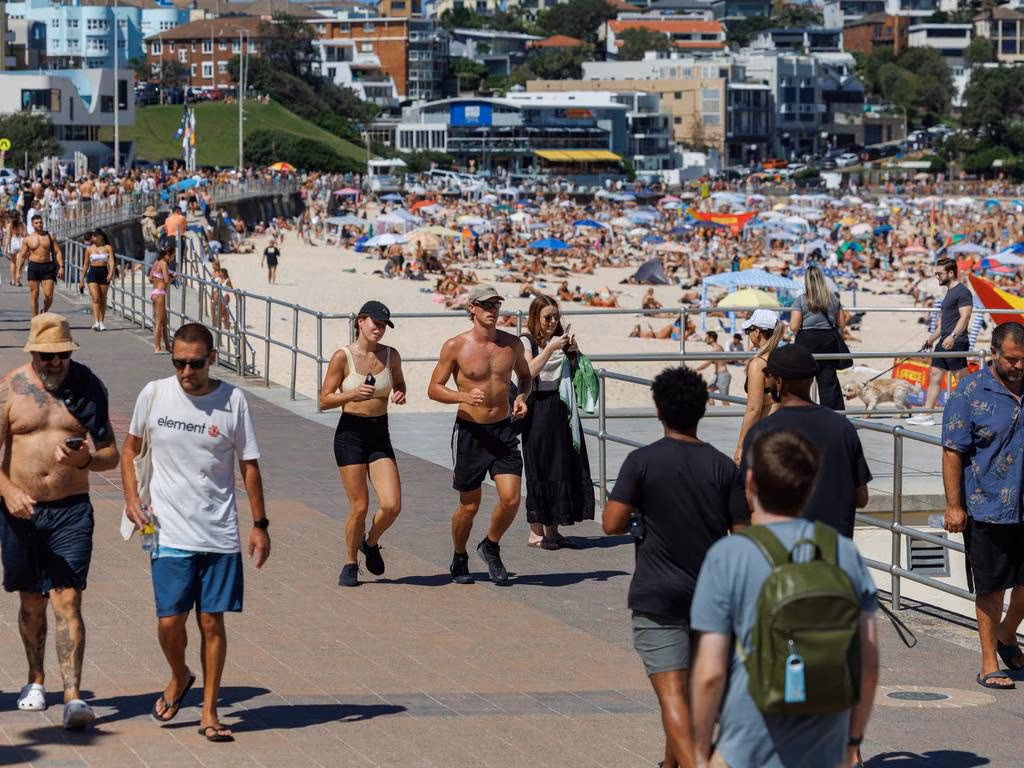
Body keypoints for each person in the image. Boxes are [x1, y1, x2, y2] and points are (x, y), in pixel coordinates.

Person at [691, 429, 880, 768]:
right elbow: (868, 662)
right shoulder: (842, 551)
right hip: (826, 735)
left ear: (750, 483)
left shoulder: (729, 555)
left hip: (748, 738)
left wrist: (700, 750)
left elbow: (710, 672)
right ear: (810, 489)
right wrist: (852, 740)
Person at [120, 323, 269, 743]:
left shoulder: (232, 400)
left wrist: (259, 525)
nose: (187, 371)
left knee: (210, 621)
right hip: (164, 529)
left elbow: (250, 465)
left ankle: (209, 710)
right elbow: (130, 449)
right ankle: (179, 675)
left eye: (196, 363)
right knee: (170, 621)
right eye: (180, 362)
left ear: (212, 359)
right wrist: (132, 498)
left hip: (218, 531)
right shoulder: (154, 394)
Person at [602, 366, 748, 768]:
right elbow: (744, 536)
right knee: (693, 700)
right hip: (712, 599)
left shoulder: (641, 461)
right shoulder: (723, 468)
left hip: (657, 593)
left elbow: (611, 523)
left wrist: (641, 519)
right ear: (703, 409)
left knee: (672, 698)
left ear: (659, 411)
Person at [0, 313, 119, 729]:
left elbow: (111, 454)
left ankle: (72, 696)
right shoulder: (10, 388)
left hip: (71, 508)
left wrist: (86, 459)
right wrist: (8, 490)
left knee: (68, 600)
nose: (54, 364)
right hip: (21, 512)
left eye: (61, 356)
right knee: (31, 600)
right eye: (46, 356)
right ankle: (35, 680)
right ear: (33, 352)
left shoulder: (88, 387)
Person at [427, 284, 532, 585]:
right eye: (486, 305)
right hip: (471, 433)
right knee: (469, 505)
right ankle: (459, 555)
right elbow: (434, 388)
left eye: (496, 305)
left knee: (511, 500)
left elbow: (524, 376)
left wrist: (522, 397)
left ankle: (490, 545)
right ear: (471, 308)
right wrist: (461, 397)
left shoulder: (512, 345)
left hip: (503, 430)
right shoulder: (455, 346)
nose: (492, 310)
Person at [942, 321, 1024, 690]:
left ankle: (1008, 634)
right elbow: (952, 452)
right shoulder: (969, 391)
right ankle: (989, 662)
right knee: (992, 589)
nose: (1019, 366)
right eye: (1012, 359)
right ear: (994, 352)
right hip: (987, 506)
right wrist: (954, 506)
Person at [740, 343, 871, 538]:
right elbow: (861, 498)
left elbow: (748, 498)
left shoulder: (761, 431)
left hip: (780, 551)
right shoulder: (842, 427)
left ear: (779, 381)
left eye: (768, 376)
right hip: (833, 553)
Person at [319, 301, 407, 587]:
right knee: (359, 506)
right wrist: (353, 394)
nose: (378, 330)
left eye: (383, 326)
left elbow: (400, 383)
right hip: (351, 434)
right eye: (375, 323)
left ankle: (370, 542)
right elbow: (324, 400)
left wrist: (400, 393)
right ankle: (349, 562)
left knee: (392, 505)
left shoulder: (391, 355)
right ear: (361, 321)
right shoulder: (342, 357)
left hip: (379, 433)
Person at [519, 295, 594, 550]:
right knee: (539, 464)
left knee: (561, 464)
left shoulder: (561, 339)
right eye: (547, 318)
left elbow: (574, 373)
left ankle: (554, 530)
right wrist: (551, 348)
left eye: (556, 317)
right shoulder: (526, 340)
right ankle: (535, 532)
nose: (552, 322)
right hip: (536, 405)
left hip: (561, 405)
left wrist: (573, 354)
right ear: (536, 318)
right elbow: (527, 372)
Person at [908, 258, 973, 426]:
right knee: (935, 375)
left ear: (951, 273)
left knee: (962, 381)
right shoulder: (949, 292)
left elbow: (965, 317)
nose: (937, 276)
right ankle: (927, 414)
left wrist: (953, 336)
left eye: (940, 273)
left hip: (957, 341)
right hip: (944, 340)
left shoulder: (963, 292)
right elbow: (944, 322)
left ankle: (969, 415)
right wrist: (931, 339)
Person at [790, 266, 847, 410]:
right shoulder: (833, 299)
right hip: (828, 339)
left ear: (806, 281)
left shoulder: (801, 300)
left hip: (807, 340)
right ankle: (833, 416)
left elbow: (794, 326)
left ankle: (799, 412)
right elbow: (841, 324)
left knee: (801, 379)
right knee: (828, 382)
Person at [733, 309, 783, 464]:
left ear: (757, 332)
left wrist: (741, 445)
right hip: (783, 426)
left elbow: (754, 409)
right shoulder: (783, 357)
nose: (748, 334)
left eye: (749, 330)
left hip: (764, 429)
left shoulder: (758, 364)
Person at [18, 213, 64, 316]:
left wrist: (61, 266)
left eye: (41, 222)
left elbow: (58, 252)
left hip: (48, 266)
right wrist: (18, 272)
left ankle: (44, 311)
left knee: (49, 296)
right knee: (34, 295)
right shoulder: (28, 239)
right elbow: (22, 256)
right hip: (34, 267)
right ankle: (35, 319)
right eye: (37, 223)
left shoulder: (50, 236)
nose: (39, 224)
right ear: (32, 224)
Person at [79, 229, 113, 331]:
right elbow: (85, 265)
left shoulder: (108, 248)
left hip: (104, 273)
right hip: (92, 273)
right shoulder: (89, 249)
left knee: (103, 298)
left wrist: (111, 273)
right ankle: (96, 322)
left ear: (100, 236)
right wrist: (81, 280)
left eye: (95, 235)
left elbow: (111, 261)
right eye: (92, 236)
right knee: (95, 297)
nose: (93, 238)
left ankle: (102, 322)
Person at [696, 331, 731, 406]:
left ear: (711, 339)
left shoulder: (716, 349)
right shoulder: (719, 347)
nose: (705, 339)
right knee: (708, 392)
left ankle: (730, 416)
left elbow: (706, 364)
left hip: (723, 375)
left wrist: (696, 370)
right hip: (718, 376)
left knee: (724, 400)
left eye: (707, 337)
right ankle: (712, 409)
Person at [150, 245, 173, 354]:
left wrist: (159, 279)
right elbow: (167, 280)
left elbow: (150, 278)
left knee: (164, 320)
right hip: (160, 293)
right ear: (167, 255)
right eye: (172, 256)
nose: (172, 259)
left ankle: (168, 346)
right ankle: (157, 347)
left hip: (154, 292)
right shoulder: (163, 263)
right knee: (160, 321)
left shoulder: (156, 263)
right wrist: (174, 277)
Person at [6, 210, 26, 287]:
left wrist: (5, 248)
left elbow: (8, 237)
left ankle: (13, 280)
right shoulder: (23, 225)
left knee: (12, 262)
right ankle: (18, 281)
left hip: (12, 243)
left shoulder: (9, 225)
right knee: (19, 263)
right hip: (21, 243)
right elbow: (25, 235)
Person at [141, 205, 161, 272]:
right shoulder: (151, 222)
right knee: (154, 257)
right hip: (153, 242)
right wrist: (159, 229)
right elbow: (154, 233)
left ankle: (145, 271)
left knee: (147, 257)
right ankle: (148, 272)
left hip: (146, 241)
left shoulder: (144, 221)